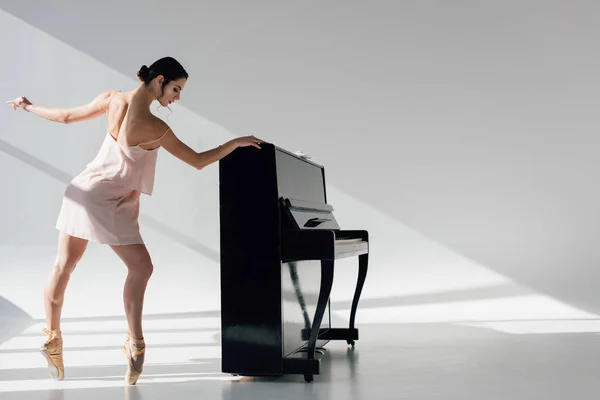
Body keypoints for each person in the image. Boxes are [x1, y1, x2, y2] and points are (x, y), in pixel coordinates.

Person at [6, 56, 263, 385]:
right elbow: (198, 161)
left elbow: (67, 117)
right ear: (158, 80)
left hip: (82, 190)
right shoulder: (155, 127)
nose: (177, 97)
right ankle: (136, 345)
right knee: (141, 268)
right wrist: (235, 142)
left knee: (63, 266)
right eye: (176, 89)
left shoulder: (112, 98)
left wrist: (28, 106)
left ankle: (52, 337)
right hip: (108, 201)